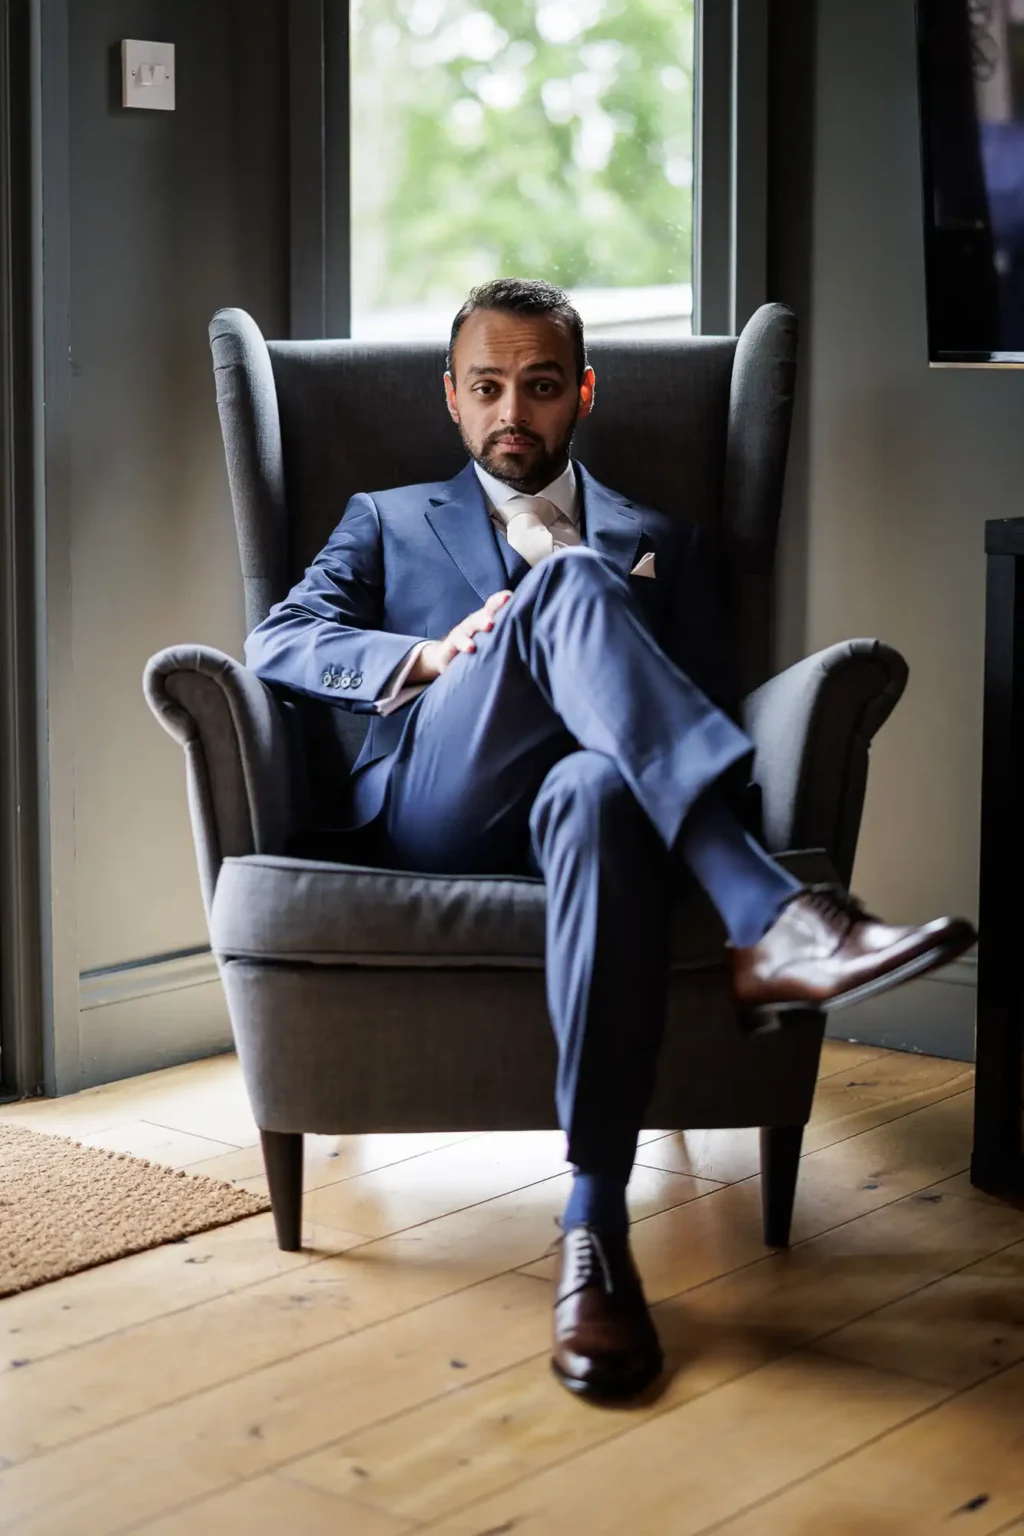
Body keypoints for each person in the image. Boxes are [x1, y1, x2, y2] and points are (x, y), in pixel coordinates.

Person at [245, 278, 976, 1402]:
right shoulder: (383, 517)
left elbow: (707, 705)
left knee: (594, 783)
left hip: (599, 819)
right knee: (573, 578)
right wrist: (435, 656)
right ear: (450, 397)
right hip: (441, 795)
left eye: (540, 387)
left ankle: (594, 1234)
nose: (512, 414)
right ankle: (773, 917)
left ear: (581, 392)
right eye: (486, 387)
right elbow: (278, 639)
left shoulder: (664, 540)